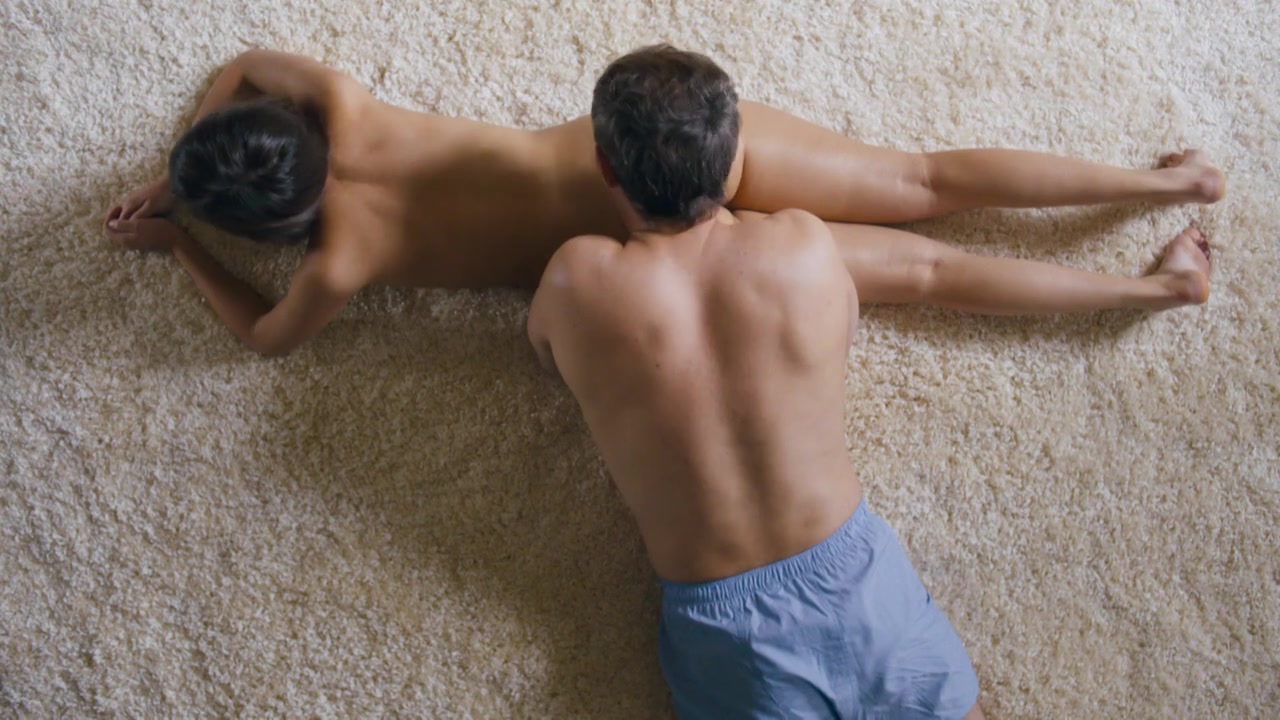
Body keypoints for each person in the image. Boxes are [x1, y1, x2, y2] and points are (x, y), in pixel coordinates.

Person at [105, 48, 1218, 356]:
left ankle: (1153, 289)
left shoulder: (337, 261)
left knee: (926, 274)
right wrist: (188, 153)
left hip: (655, 251)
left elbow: (265, 337)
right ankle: (1171, 179)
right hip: (665, 151)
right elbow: (244, 63)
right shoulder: (340, 103)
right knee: (924, 181)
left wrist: (182, 239)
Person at [528, 45, 985, 718]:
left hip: (726, 633)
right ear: (734, 157)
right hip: (857, 578)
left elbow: (546, 354)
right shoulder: (802, 243)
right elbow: (842, 330)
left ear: (604, 167)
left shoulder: (575, 279)